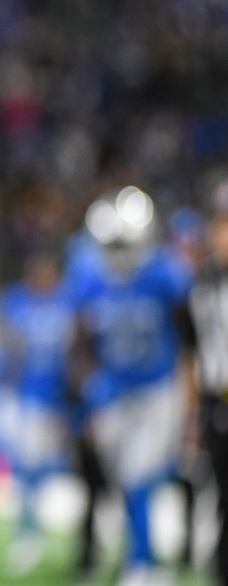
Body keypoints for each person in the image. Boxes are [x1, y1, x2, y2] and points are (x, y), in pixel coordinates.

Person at [67, 186, 196, 586]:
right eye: (111, 243)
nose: (118, 251)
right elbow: (81, 341)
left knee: (142, 475)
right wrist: (90, 385)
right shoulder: (91, 279)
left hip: (158, 389)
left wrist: (188, 398)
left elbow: (188, 341)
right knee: (124, 478)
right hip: (116, 391)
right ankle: (141, 559)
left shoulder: (164, 275)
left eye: (124, 242)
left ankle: (145, 565)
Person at [0, 245, 77, 577]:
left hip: (66, 399)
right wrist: (3, 394)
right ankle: (28, 534)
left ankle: (70, 537)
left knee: (58, 470)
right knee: (29, 469)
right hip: (31, 399)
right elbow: (11, 355)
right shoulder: (17, 303)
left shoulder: (69, 300)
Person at [187, 181, 228, 585]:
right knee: (221, 494)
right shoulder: (203, 284)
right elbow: (192, 354)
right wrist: (194, 409)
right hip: (220, 399)